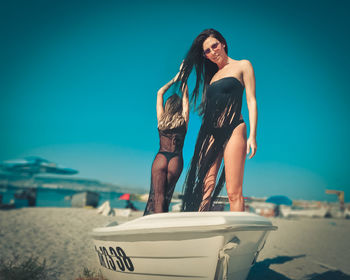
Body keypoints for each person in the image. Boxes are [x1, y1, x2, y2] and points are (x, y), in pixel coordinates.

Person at [179, 29, 257, 212]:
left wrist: (252, 135)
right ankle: (201, 231)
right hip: (210, 132)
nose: (212, 51)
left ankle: (236, 236)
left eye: (214, 45)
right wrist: (183, 71)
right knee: (205, 187)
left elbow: (251, 100)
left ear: (223, 43)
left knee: (233, 191)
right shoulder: (212, 77)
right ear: (205, 56)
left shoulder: (243, 65)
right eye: (207, 51)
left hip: (234, 129)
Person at [144, 69, 189, 215]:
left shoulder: (161, 119)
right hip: (176, 159)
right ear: (180, 107)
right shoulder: (183, 120)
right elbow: (186, 98)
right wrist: (184, 79)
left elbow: (159, 93)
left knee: (158, 197)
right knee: (166, 198)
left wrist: (175, 79)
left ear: (168, 106)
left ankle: (152, 227)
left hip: (161, 157)